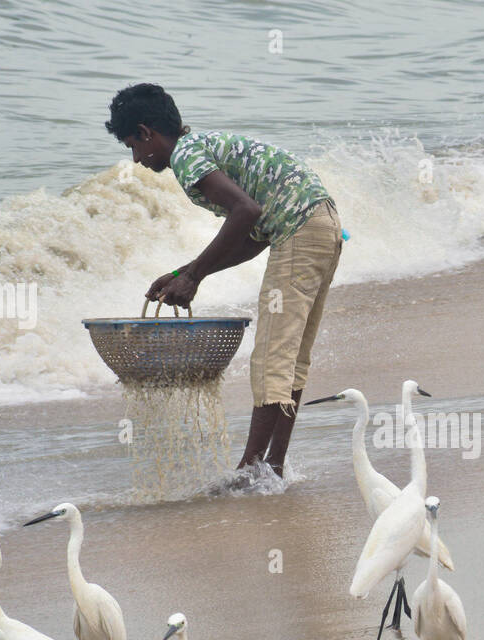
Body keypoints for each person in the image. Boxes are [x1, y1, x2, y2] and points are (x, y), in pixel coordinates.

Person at [105, 83, 343, 477]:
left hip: (300, 230)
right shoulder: (201, 145)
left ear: (147, 132)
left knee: (271, 359)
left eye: (133, 145)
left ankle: (250, 471)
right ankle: (273, 466)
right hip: (321, 224)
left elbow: (245, 211)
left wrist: (195, 274)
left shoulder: (186, 156)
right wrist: (186, 273)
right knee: (290, 358)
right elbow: (253, 236)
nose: (137, 158)